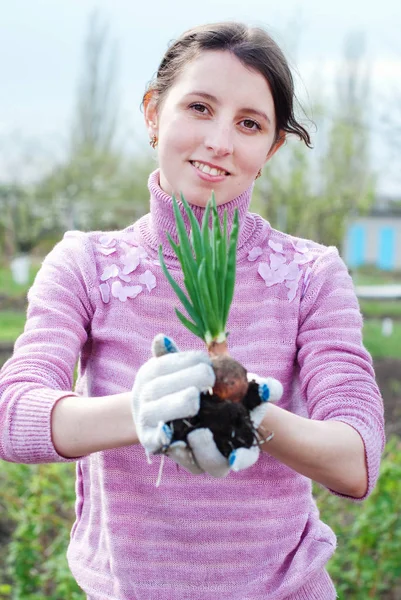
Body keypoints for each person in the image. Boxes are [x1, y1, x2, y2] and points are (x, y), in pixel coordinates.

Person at [0, 21, 384, 600]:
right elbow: (13, 416)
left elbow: (357, 458)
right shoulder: (87, 264)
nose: (220, 142)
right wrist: (144, 409)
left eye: (249, 124)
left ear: (272, 147)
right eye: (199, 107)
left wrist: (243, 407)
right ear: (154, 112)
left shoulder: (311, 275)